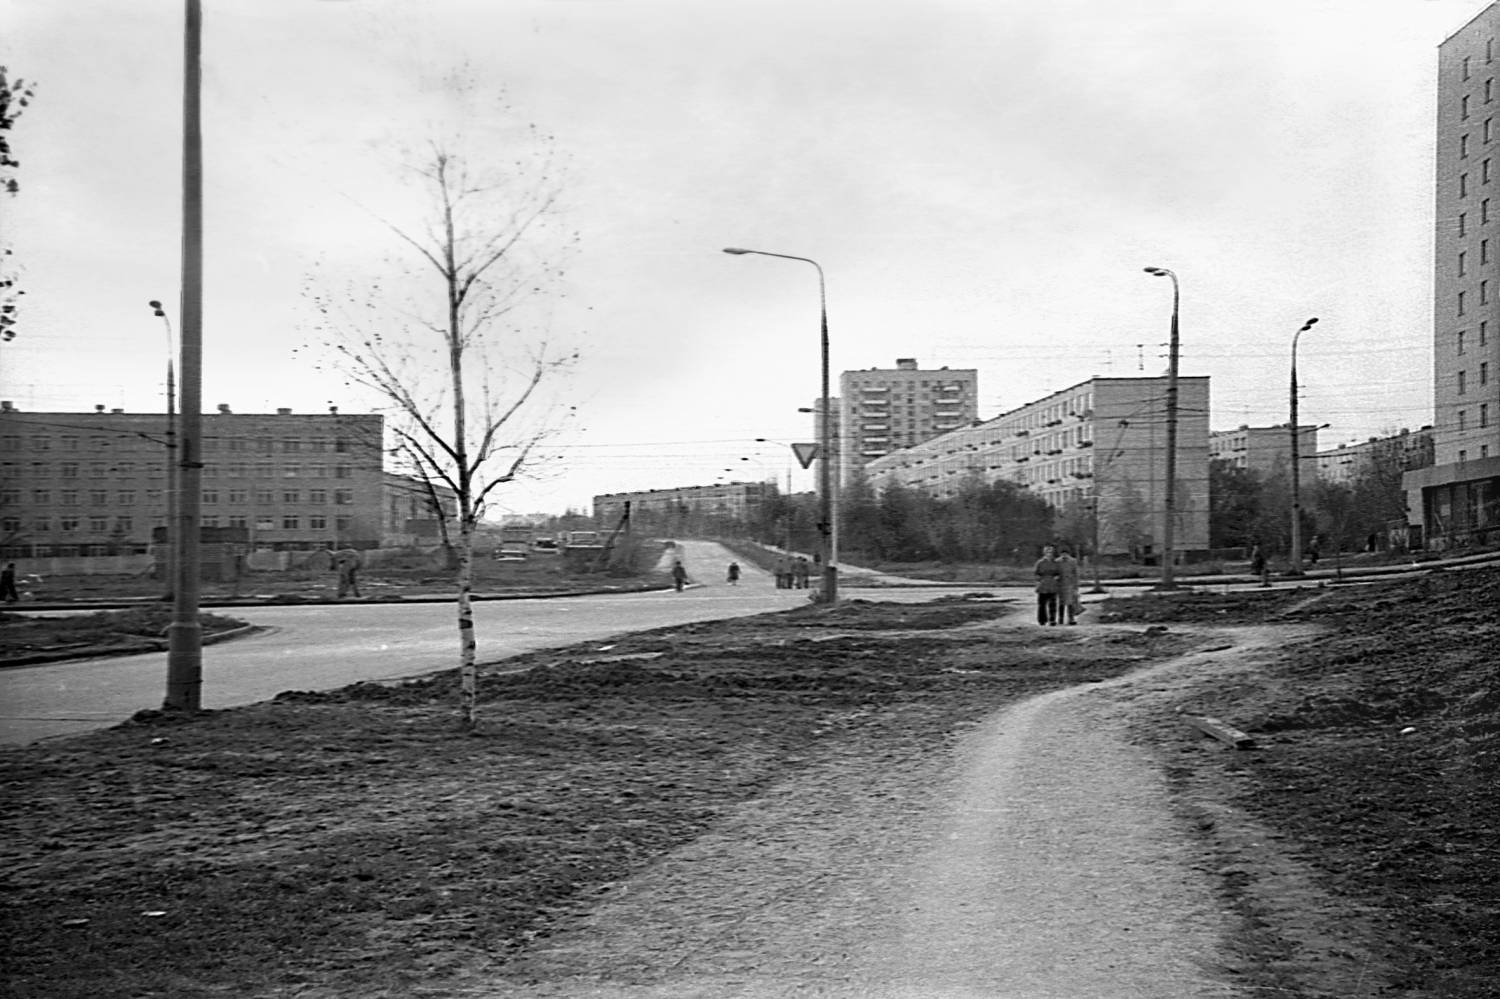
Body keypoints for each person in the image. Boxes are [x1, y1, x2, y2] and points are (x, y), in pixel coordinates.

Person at [1034, 544, 1061, 626]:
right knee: (1042, 604)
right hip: (1043, 585)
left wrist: (1057, 577)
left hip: (1052, 584)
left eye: (1051, 552)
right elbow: (1036, 573)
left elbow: (1058, 573)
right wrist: (1039, 580)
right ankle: (1042, 620)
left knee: (1053, 603)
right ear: (1044, 553)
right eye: (1047, 552)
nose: (1049, 554)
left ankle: (1052, 619)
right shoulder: (1040, 563)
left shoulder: (1056, 563)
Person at [1056, 547, 1081, 625]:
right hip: (1060, 585)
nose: (1064, 555)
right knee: (1061, 603)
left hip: (1070, 584)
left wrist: (1076, 586)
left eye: (1065, 554)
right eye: (1062, 554)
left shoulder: (1073, 561)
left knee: (1071, 602)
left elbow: (1076, 574)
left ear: (1068, 554)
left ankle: (1071, 618)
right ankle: (1061, 618)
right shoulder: (1057, 561)